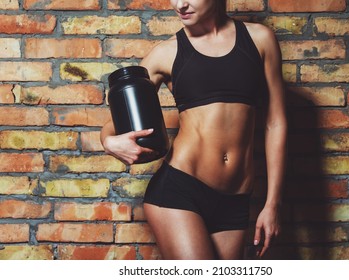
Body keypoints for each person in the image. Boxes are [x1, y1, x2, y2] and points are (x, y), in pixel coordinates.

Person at [100, 0, 287, 260]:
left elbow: (275, 122)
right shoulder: (166, 53)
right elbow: (114, 124)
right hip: (179, 192)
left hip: (236, 199)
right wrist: (109, 142)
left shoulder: (260, 39)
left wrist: (272, 204)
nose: (180, 4)